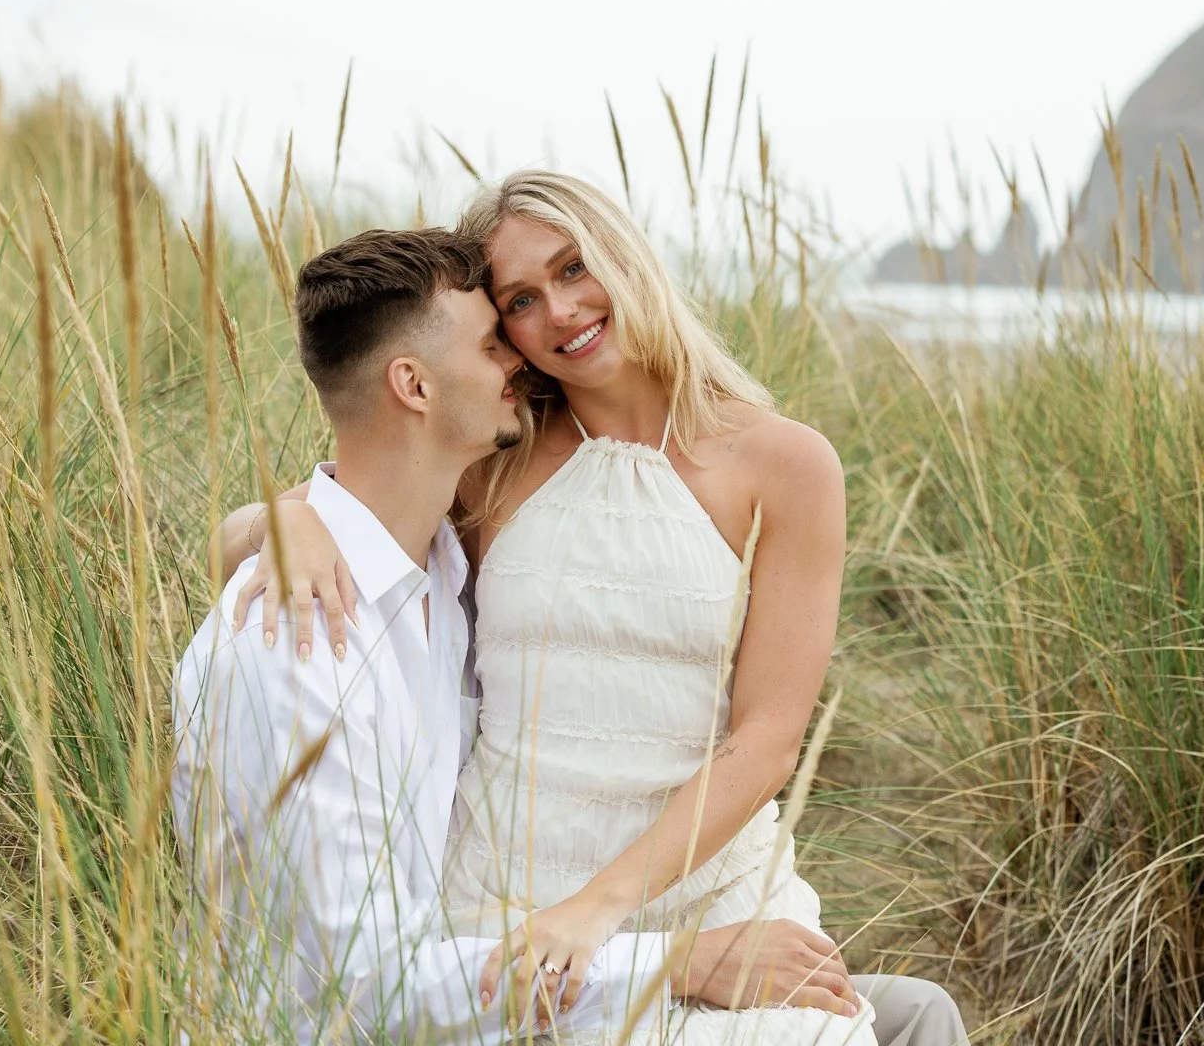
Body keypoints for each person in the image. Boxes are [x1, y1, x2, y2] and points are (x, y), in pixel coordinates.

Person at [222, 173, 967, 1046]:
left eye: (573, 267)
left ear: (623, 253)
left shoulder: (787, 465)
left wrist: (599, 908)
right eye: (521, 300)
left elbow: (767, 739)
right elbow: (273, 529)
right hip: (509, 893)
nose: (562, 310)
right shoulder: (498, 457)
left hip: (709, 890)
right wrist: (286, 520)